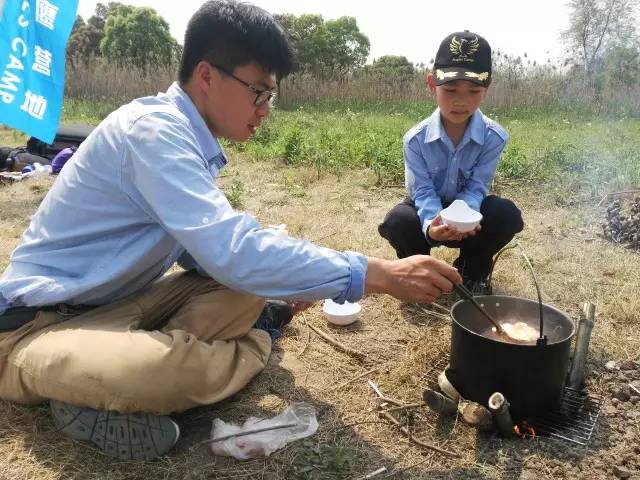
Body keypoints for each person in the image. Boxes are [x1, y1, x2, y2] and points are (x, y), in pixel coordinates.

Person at [0, 1, 461, 461]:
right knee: (168, 369)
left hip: (118, 304)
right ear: (206, 75)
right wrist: (377, 273)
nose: (265, 109)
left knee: (247, 288)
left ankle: (105, 381)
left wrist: (289, 277)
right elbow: (232, 250)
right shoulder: (153, 132)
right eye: (258, 92)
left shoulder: (186, 137)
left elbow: (210, 258)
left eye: (269, 96)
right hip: (35, 327)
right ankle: (242, 345)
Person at [378, 30, 524, 295]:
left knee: (506, 214)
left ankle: (471, 271)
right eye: (450, 89)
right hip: (428, 210)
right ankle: (422, 272)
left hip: (471, 213)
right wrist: (434, 225)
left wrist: (465, 217)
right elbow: (421, 190)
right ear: (432, 84)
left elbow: (478, 185)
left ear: (486, 91)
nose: (461, 100)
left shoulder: (494, 137)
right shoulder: (415, 140)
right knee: (397, 221)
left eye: (474, 91)